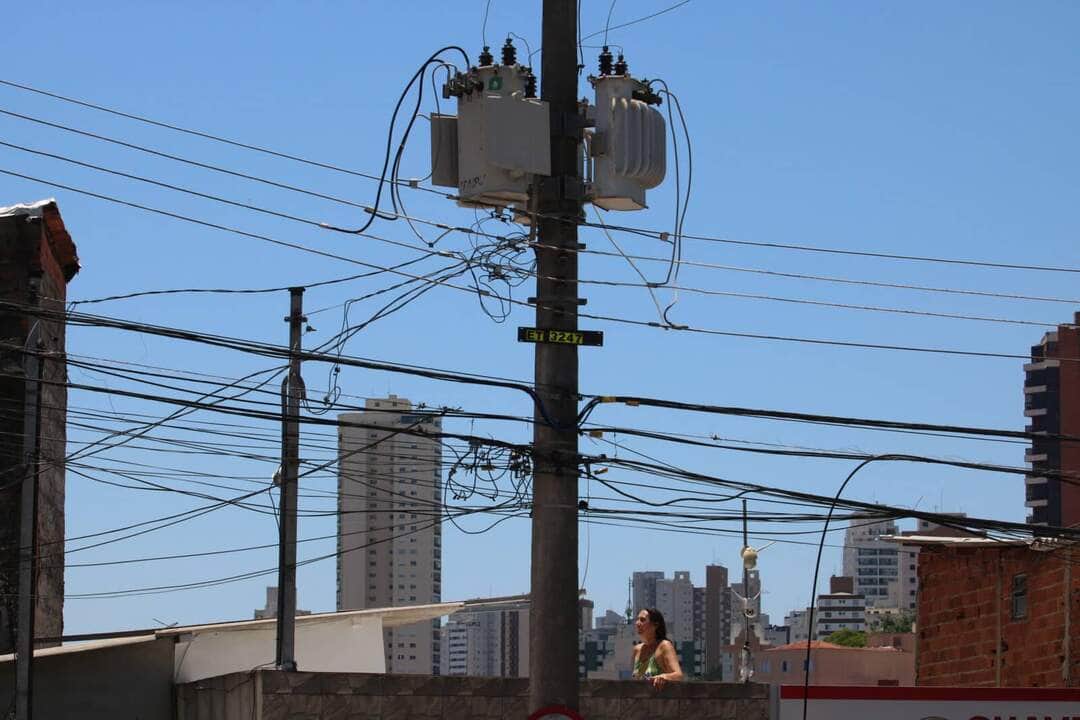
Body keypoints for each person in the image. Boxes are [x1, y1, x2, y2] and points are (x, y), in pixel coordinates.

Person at [630, 608, 684, 689]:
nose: (637, 623)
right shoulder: (636, 650)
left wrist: (664, 677)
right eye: (637, 619)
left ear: (655, 625)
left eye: (642, 620)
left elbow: (678, 675)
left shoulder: (664, 646)